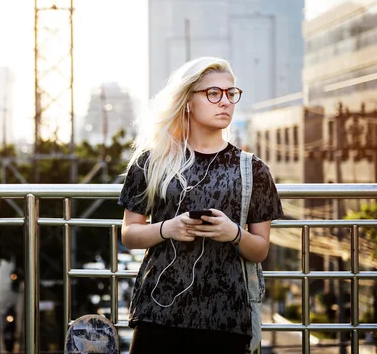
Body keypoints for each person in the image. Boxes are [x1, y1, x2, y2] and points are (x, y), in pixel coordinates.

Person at [118, 57, 283, 353]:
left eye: (231, 93)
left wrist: (232, 233)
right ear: (188, 102)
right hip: (158, 312)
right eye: (213, 93)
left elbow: (260, 250)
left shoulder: (253, 170)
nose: (225, 102)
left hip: (226, 318)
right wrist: (170, 228)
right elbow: (129, 234)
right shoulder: (152, 162)